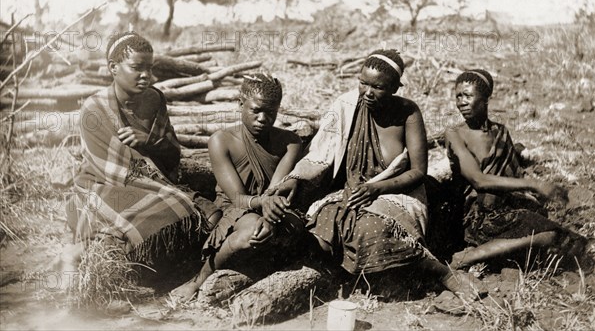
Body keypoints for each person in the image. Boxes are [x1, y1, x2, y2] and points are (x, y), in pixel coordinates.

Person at [273, 50, 485, 299]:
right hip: (350, 193)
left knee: (372, 227)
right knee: (322, 223)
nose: (367, 93)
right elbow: (319, 154)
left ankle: (441, 272)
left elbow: (418, 171)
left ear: (395, 87)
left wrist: (377, 189)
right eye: (363, 83)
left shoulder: (408, 113)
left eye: (378, 87)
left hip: (397, 193)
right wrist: (295, 179)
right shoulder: (346, 106)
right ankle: (354, 273)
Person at [63, 31, 221, 271]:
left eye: (149, 67)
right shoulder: (95, 109)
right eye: (137, 68)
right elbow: (111, 170)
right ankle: (91, 258)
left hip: (154, 181)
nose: (146, 75)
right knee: (172, 213)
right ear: (113, 67)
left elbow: (172, 154)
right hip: (105, 186)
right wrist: (163, 184)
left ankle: (155, 268)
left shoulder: (155, 99)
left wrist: (149, 141)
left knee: (212, 215)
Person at [171, 73, 304, 301]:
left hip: (270, 206)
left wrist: (270, 210)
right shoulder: (221, 140)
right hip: (235, 209)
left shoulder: (291, 142)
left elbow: (275, 190)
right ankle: (198, 279)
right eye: (256, 110)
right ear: (240, 104)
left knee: (295, 229)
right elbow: (237, 198)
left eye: (270, 112)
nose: (263, 118)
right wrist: (264, 204)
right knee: (252, 231)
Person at [445, 69, 586, 270]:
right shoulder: (455, 133)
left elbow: (511, 170)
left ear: (485, 98)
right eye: (458, 96)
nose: (461, 102)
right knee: (550, 235)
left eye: (467, 95)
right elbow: (478, 180)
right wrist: (535, 184)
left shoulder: (500, 131)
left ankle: (493, 253)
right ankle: (469, 256)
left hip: (506, 208)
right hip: (477, 215)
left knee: (565, 241)